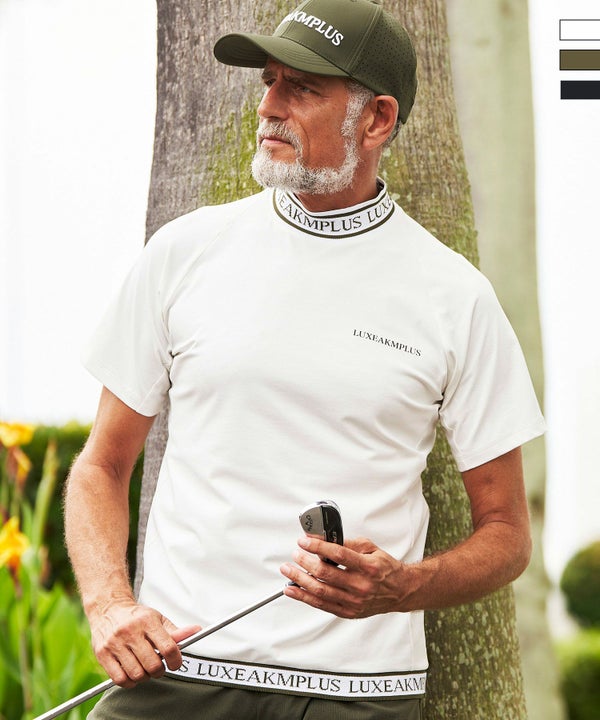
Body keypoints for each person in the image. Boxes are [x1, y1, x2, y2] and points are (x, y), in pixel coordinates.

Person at [64, 0, 545, 718]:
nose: (269, 107)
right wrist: (109, 606)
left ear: (377, 119)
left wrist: (403, 587)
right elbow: (100, 467)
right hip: (178, 673)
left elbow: (507, 535)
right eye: (269, 82)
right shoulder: (184, 253)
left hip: (359, 695)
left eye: (302, 88)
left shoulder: (456, 297)